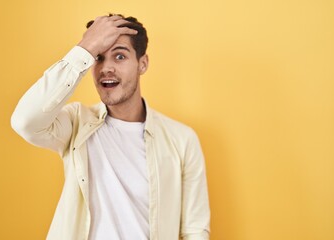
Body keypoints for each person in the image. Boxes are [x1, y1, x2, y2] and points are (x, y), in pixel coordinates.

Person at [11, 13, 210, 240]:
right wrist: (86, 48)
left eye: (119, 56)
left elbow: (195, 229)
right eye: (98, 57)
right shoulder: (77, 123)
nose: (107, 68)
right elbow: (25, 121)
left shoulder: (182, 139)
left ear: (142, 64)